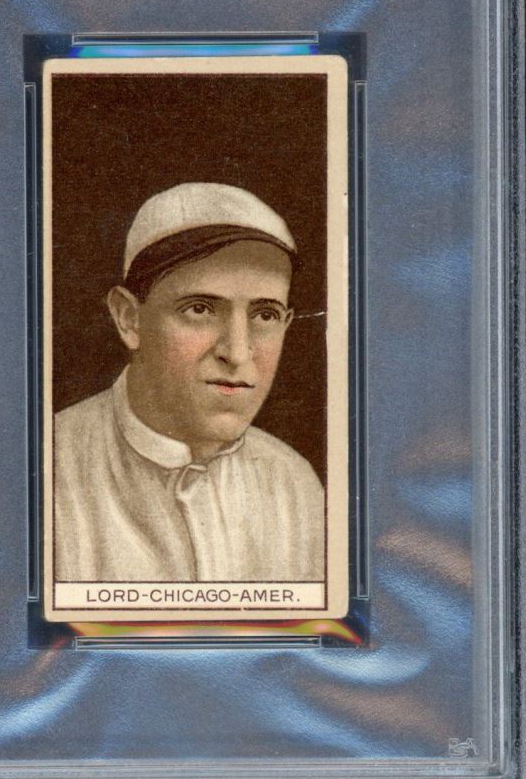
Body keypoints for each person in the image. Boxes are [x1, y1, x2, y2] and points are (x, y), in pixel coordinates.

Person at [53, 183, 325, 583]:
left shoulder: (294, 484)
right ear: (129, 318)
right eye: (200, 309)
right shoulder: (45, 471)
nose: (237, 353)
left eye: (265, 315)